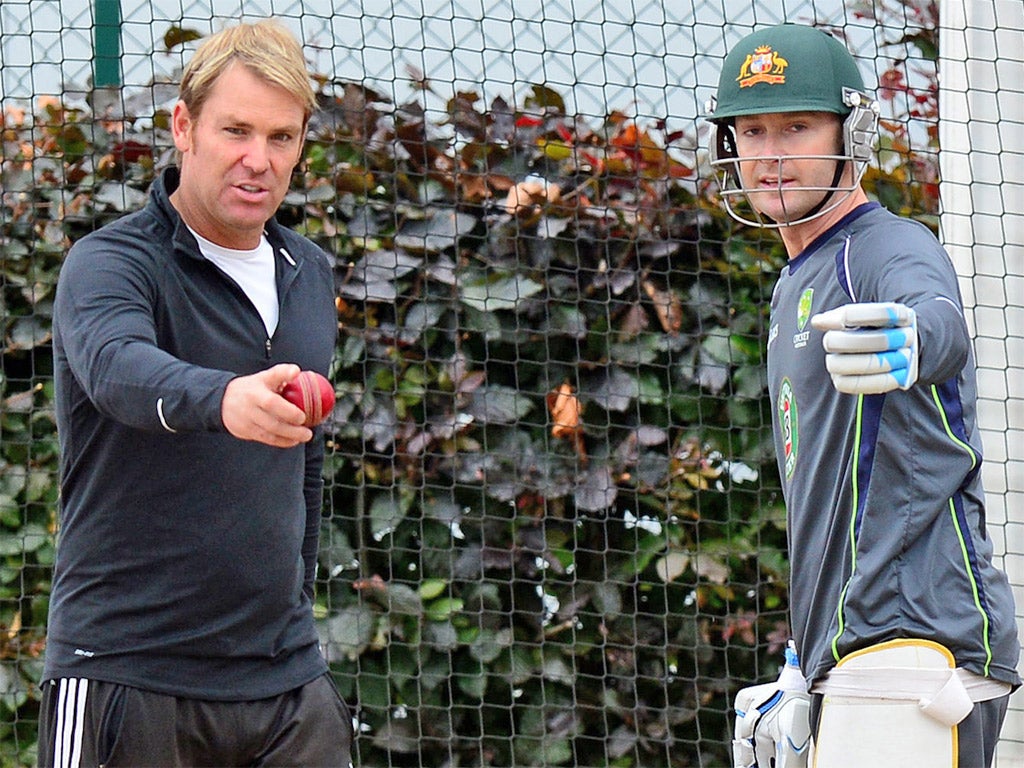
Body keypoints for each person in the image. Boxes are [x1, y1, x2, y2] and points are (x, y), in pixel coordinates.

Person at [706, 23, 1020, 767]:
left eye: (797, 125)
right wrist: (803, 665)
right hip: (855, 653)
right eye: (752, 130)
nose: (772, 152)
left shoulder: (887, 248)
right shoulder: (794, 284)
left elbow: (938, 319)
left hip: (915, 642)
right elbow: (839, 505)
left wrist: (912, 339)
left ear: (852, 133)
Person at [40, 20, 353, 767]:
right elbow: (118, 369)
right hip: (126, 671)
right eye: (236, 131)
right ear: (184, 127)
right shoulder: (109, 262)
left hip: (284, 683)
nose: (258, 161)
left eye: (281, 138)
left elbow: (302, 470)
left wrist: (296, 617)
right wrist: (224, 399)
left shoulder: (308, 276)